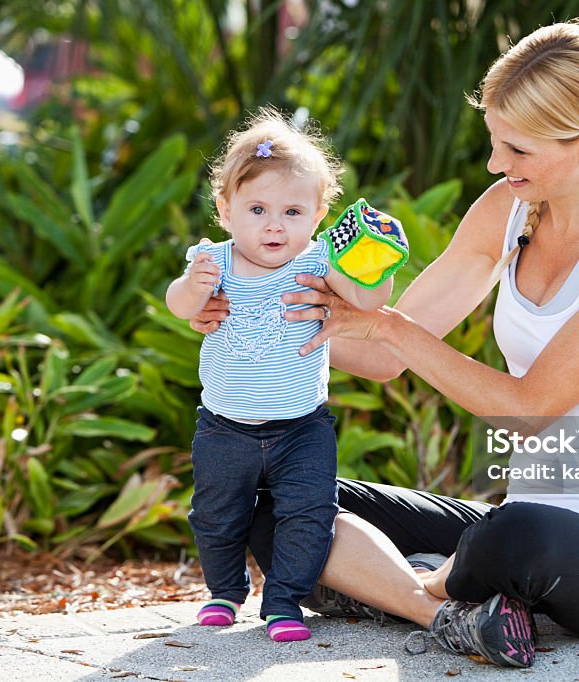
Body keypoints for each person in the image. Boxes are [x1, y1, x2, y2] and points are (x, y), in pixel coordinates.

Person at [193, 20, 579, 668]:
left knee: (516, 538)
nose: (497, 165)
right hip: (519, 512)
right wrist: (249, 320)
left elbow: (528, 409)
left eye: (516, 150)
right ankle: (441, 606)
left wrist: (389, 326)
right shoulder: (509, 208)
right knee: (277, 502)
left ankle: (414, 583)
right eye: (495, 143)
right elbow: (384, 358)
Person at [165, 109, 395, 642]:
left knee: (310, 514)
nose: (274, 225)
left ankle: (285, 601)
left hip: (302, 429)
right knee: (216, 516)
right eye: (257, 209)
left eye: (292, 211)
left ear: (317, 215)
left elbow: (367, 300)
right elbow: (179, 305)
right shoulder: (212, 261)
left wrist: (373, 265)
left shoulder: (317, 262)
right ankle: (224, 591)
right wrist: (193, 288)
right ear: (225, 211)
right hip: (225, 427)